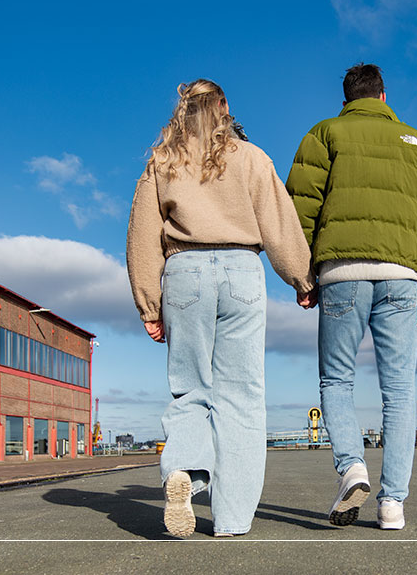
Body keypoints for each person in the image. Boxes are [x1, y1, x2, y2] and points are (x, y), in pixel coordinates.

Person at [126, 79, 314, 538]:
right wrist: (301, 277)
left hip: (185, 272)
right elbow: (278, 220)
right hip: (242, 272)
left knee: (191, 390)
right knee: (242, 399)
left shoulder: (163, 160)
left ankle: (183, 472)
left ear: (183, 110)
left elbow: (142, 236)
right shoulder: (250, 157)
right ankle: (231, 520)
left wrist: (149, 304)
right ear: (224, 107)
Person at [286, 63, 417, 531]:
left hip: (341, 272)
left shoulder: (325, 133)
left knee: (337, 380)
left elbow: (300, 208)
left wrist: (303, 277)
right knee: (399, 392)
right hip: (402, 276)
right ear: (383, 97)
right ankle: (392, 503)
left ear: (346, 101)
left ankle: (352, 467)